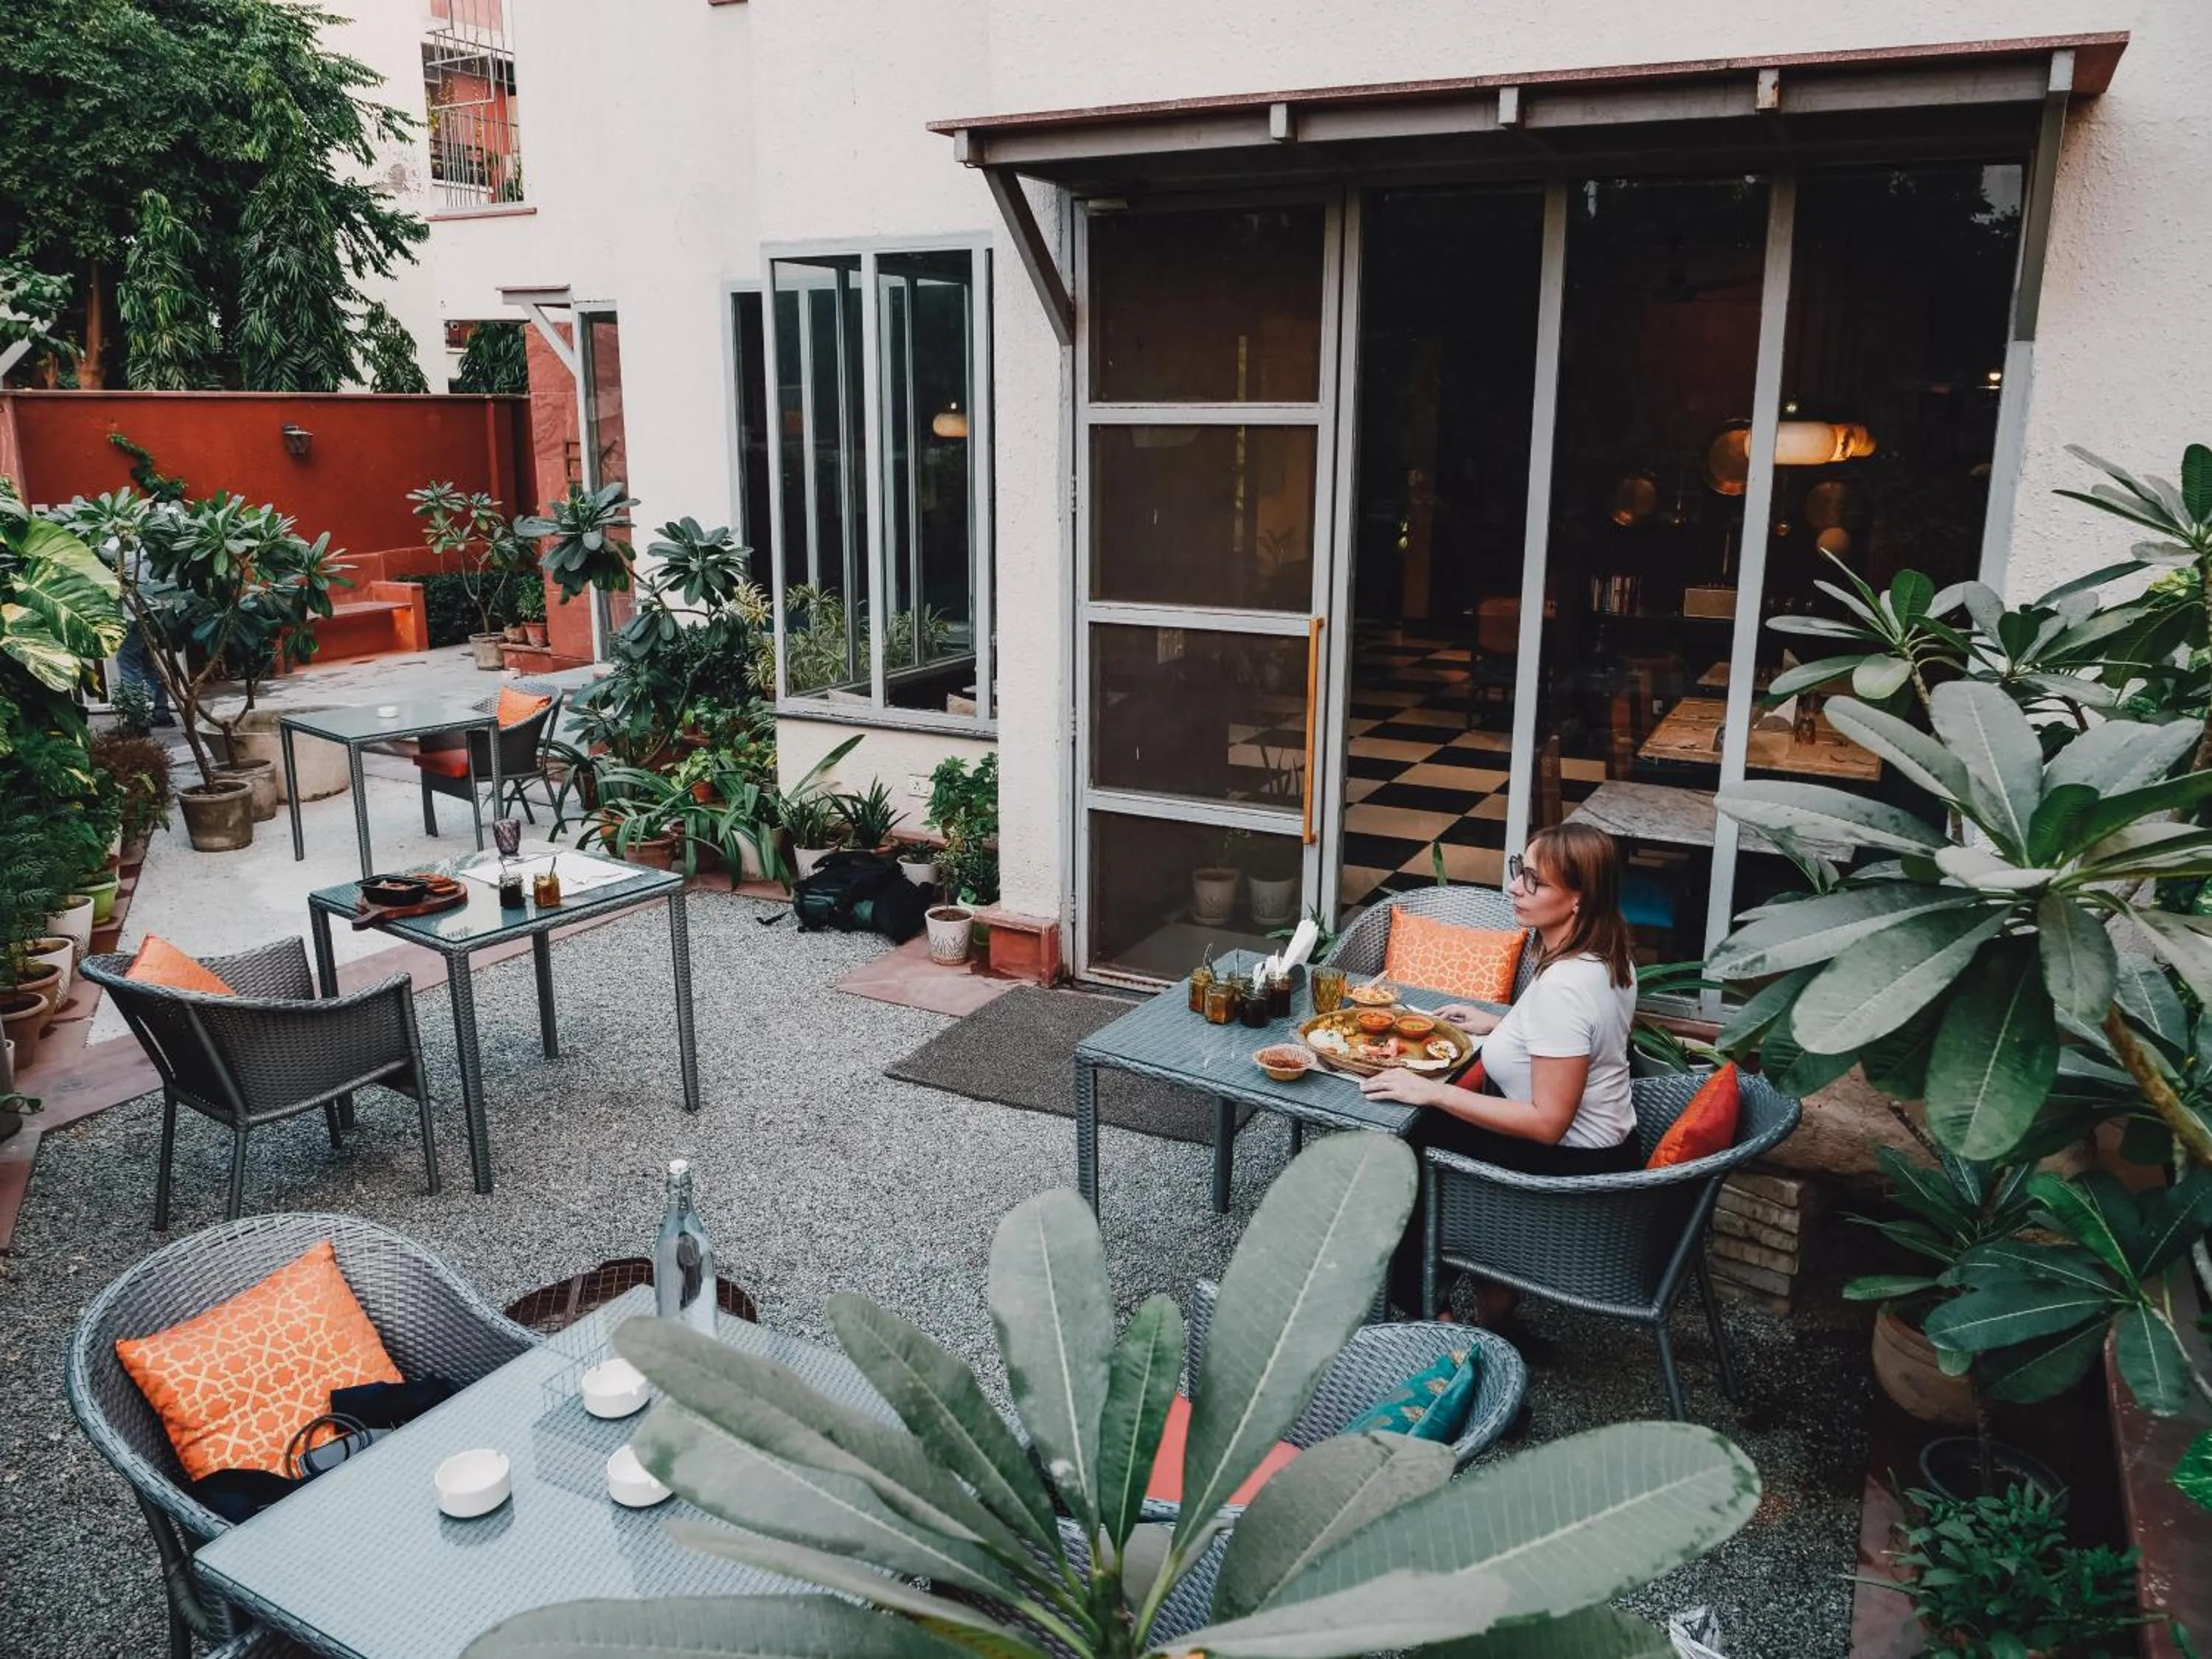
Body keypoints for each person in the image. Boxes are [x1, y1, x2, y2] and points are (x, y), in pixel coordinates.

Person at [1359, 821, 1641, 1316]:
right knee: (1425, 1132)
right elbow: (1575, 1039)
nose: (1514, 886)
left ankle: (1431, 1315)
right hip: (1609, 1149)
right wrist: (1504, 1022)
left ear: (1578, 898)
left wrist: (1433, 1093)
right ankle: (1490, 1318)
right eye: (1520, 870)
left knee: (1403, 1148)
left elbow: (1548, 1123)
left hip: (1571, 1169)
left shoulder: (1566, 988)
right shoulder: (1606, 957)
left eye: (1534, 880)